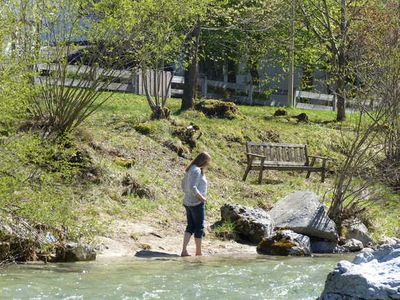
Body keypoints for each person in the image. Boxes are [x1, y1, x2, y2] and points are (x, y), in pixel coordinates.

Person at [180, 152, 211, 257]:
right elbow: (193, 187)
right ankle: (198, 252)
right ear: (203, 161)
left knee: (190, 226)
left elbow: (183, 184)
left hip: (187, 202)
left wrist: (187, 194)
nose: (208, 164)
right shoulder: (196, 170)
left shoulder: (190, 169)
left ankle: (184, 250)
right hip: (196, 203)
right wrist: (201, 198)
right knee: (199, 227)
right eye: (207, 162)